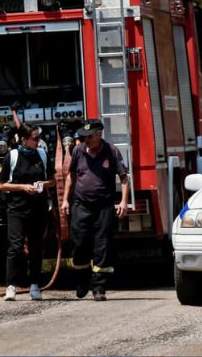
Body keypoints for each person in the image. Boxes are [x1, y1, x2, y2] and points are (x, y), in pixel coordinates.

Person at [60, 119, 129, 301]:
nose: (86, 140)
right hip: (81, 205)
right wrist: (65, 200)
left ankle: (99, 287)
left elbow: (124, 178)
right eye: (83, 137)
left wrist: (123, 201)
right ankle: (82, 281)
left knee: (102, 246)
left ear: (99, 134)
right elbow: (71, 176)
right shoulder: (78, 151)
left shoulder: (112, 151)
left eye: (89, 137)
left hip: (103, 206)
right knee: (80, 243)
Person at [0, 123, 55, 301]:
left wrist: (42, 185)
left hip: (37, 209)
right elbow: (2, 185)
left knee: (36, 247)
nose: (39, 141)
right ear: (24, 140)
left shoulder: (43, 155)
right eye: (35, 138)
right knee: (15, 247)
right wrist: (23, 187)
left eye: (39, 138)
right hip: (16, 209)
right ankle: (11, 286)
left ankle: (35, 285)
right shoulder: (12, 156)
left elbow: (52, 180)